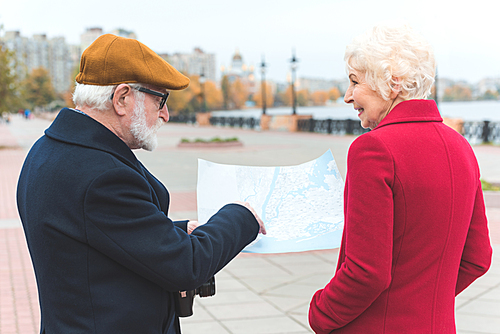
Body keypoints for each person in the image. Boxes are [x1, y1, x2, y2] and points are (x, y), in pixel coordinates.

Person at [17, 34, 265, 334]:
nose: (165, 113)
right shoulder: (102, 177)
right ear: (122, 98)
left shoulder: (47, 149)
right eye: (160, 99)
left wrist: (176, 229)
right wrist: (241, 216)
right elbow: (186, 265)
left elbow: (96, 233)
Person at [309, 23, 492, 333]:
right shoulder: (460, 146)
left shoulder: (373, 148)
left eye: (354, 82)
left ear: (391, 83)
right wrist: (424, 302)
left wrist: (321, 312)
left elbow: (366, 272)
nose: (347, 96)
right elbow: (478, 257)